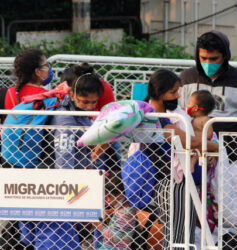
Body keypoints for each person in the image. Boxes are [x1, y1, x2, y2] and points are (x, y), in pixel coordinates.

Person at [18, 64, 104, 249]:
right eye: (84, 102)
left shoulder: (77, 113)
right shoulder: (65, 118)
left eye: (93, 103)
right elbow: (63, 160)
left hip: (59, 189)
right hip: (58, 189)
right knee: (56, 238)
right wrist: (74, 194)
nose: (89, 107)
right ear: (72, 96)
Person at [179, 30, 237, 183]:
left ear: (225, 56)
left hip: (232, 158)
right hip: (194, 157)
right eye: (203, 58)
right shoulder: (186, 79)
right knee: (194, 205)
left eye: (214, 59)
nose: (208, 63)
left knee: (229, 206)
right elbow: (178, 118)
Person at [145, 69, 218, 249]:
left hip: (169, 179)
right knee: (178, 234)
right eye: (173, 92)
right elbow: (189, 141)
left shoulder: (170, 113)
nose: (177, 96)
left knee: (178, 231)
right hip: (171, 180)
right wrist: (217, 147)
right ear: (159, 93)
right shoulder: (155, 117)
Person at [0, 49, 52, 250]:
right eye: (46, 65)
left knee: (14, 208)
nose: (49, 69)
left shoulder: (13, 93)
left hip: (10, 155)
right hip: (34, 161)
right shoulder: (45, 97)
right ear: (37, 72)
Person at [94, 173, 136, 250]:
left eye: (109, 196)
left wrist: (100, 226)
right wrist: (110, 218)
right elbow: (118, 229)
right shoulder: (122, 210)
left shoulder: (125, 213)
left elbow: (115, 238)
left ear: (120, 195)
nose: (108, 200)